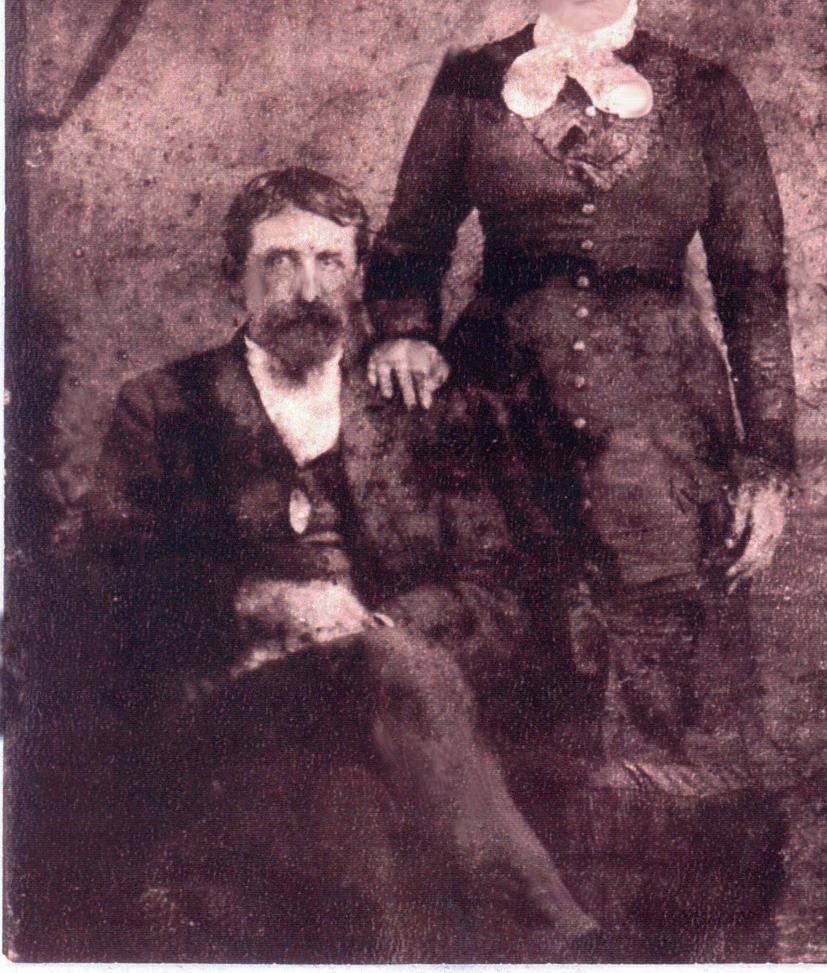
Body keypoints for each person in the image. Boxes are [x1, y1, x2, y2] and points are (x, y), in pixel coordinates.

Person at [364, 0, 796, 957]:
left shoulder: (705, 93)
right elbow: (407, 246)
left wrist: (768, 462)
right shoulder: (471, 84)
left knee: (665, 679)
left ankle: (662, 942)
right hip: (504, 421)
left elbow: (753, 287)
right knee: (523, 670)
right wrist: (403, 330)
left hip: (666, 433)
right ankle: (532, 940)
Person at [81, 167, 598, 962]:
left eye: (329, 261)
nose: (307, 288)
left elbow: (494, 587)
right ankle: (558, 935)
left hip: (395, 713)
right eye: (279, 261)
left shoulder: (417, 407)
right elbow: (113, 589)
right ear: (233, 277)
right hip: (237, 696)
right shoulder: (164, 406)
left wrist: (375, 629)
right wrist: (263, 601)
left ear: (357, 278)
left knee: (359, 812)